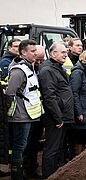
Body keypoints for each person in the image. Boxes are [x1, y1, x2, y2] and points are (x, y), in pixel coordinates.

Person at [5, 39, 43, 179]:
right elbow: (10, 93)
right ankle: (17, 176)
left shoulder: (29, 67)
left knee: (24, 146)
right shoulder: (18, 70)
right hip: (21, 116)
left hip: (30, 114)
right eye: (32, 51)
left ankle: (22, 173)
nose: (35, 53)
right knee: (19, 147)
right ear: (23, 52)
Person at [38, 42, 74, 178]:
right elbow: (49, 96)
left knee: (58, 148)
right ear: (53, 54)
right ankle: (48, 176)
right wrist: (58, 118)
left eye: (66, 52)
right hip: (55, 117)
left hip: (62, 115)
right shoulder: (47, 70)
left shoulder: (58, 68)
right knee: (52, 149)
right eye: (63, 52)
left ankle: (55, 174)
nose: (66, 54)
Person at [22, 45, 45, 179]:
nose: (39, 63)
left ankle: (32, 167)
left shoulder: (39, 68)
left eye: (42, 60)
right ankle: (25, 169)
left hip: (37, 113)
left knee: (34, 144)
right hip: (26, 114)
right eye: (38, 60)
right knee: (26, 144)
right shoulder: (22, 69)